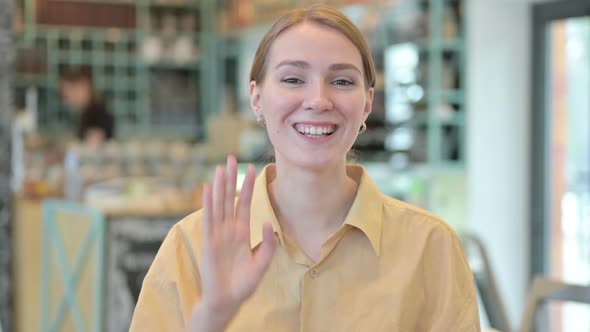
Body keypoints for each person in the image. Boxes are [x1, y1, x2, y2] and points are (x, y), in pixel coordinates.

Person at [130, 4, 481, 332]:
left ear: (367, 104)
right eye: (293, 79)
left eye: (342, 81)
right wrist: (210, 319)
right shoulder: (190, 247)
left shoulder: (430, 246)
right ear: (256, 98)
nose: (317, 100)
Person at [59, 68, 115, 144]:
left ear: (83, 86)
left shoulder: (97, 114)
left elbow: (93, 147)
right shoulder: (89, 112)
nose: (65, 101)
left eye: (66, 95)